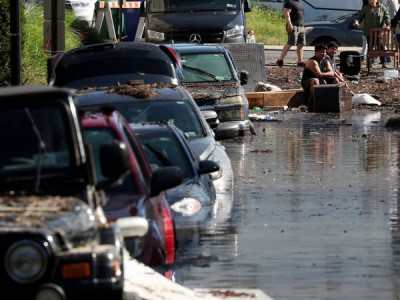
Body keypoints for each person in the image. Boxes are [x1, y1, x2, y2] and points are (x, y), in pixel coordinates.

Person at [353, 0, 391, 68]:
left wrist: (388, 25)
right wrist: (358, 22)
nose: (371, 1)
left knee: (381, 46)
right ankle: (371, 62)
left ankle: (383, 62)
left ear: (376, 0)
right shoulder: (366, 8)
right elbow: (360, 17)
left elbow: (387, 16)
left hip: (379, 31)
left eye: (373, 0)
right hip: (369, 31)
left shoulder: (382, 7)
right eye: (370, 0)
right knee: (371, 47)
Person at [301, 44, 338, 111]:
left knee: (335, 80)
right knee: (316, 80)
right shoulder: (312, 61)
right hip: (308, 82)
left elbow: (332, 73)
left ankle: (333, 102)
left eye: (325, 52)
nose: (323, 54)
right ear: (316, 52)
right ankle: (312, 105)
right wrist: (323, 77)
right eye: (321, 52)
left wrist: (322, 75)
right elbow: (318, 75)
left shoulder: (326, 61)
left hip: (321, 79)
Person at [276, 0, 306, 68]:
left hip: (301, 26)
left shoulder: (299, 3)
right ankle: (280, 59)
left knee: (301, 44)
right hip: (293, 25)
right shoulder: (289, 2)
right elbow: (286, 13)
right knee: (290, 43)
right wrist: (289, 24)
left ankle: (300, 61)